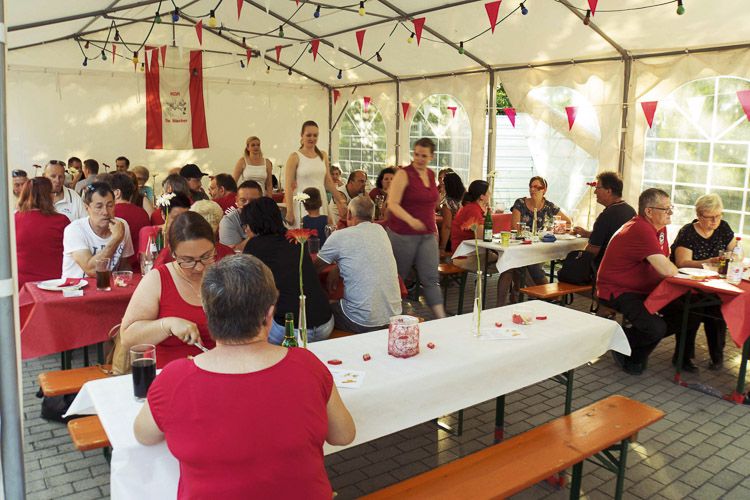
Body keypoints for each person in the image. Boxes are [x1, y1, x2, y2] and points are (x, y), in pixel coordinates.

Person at [133, 255, 356, 498]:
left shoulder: (174, 379)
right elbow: (343, 435)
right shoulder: (307, 365)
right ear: (269, 312)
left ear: (207, 310)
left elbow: (144, 435)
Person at [597, 188, 680, 375]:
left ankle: (632, 350)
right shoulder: (640, 229)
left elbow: (664, 263)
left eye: (671, 208)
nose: (670, 212)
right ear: (649, 211)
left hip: (643, 288)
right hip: (617, 290)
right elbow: (667, 270)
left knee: (685, 314)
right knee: (656, 327)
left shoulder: (660, 229)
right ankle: (622, 344)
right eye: (666, 209)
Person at [121, 212, 218, 368]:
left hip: (218, 370)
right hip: (169, 373)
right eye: (188, 260)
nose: (199, 267)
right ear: (172, 253)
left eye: (206, 256)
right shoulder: (158, 280)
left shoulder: (224, 276)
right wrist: (167, 325)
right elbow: (128, 339)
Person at [241, 197, 334, 344]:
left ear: (253, 223)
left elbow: (248, 291)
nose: (246, 230)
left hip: (291, 331)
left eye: (246, 225)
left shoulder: (254, 246)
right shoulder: (296, 238)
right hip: (326, 323)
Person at [317, 196, 402, 333]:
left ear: (349, 214)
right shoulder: (381, 231)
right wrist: (338, 267)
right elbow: (367, 255)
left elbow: (314, 269)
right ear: (372, 216)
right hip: (394, 316)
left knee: (323, 306)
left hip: (361, 322)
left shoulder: (339, 236)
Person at [671, 194, 736, 371]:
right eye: (710, 217)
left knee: (718, 311)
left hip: (713, 285)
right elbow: (682, 263)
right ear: (699, 215)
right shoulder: (688, 232)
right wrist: (709, 262)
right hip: (687, 286)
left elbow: (735, 251)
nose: (715, 221)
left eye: (718, 215)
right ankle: (683, 357)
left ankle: (717, 356)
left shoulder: (723, 227)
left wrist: (734, 257)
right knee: (693, 311)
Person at [387, 138, 446, 319]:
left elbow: (432, 201)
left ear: (431, 157)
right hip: (402, 233)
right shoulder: (403, 174)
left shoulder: (430, 174)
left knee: (431, 278)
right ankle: (393, 317)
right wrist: (411, 220)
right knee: (398, 278)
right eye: (417, 154)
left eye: (424, 156)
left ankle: (441, 318)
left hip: (427, 234)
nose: (419, 159)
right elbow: (392, 203)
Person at [62, 182, 134, 278]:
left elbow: (124, 266)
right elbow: (92, 271)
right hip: (77, 285)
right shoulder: (74, 230)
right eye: (99, 207)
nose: (105, 212)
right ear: (87, 208)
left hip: (109, 285)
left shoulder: (122, 225)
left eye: (110, 205)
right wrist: (116, 239)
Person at [284, 120, 347, 227]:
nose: (312, 138)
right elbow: (288, 186)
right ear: (302, 135)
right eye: (309, 135)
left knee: (322, 231)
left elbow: (328, 181)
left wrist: (340, 200)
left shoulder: (323, 155)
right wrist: (289, 211)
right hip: (302, 201)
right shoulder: (294, 157)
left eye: (315, 135)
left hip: (320, 200)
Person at [511, 176, 572, 285]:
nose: (532, 189)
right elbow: (515, 228)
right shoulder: (520, 203)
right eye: (531, 187)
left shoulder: (549, 206)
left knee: (522, 264)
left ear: (544, 190)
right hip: (522, 245)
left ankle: (527, 291)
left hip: (540, 246)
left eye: (536, 187)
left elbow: (568, 222)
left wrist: (555, 229)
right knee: (523, 262)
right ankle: (541, 290)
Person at [14, 178, 70, 287]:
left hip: (21, 286)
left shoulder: (13, 220)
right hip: (55, 284)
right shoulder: (61, 221)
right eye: (52, 193)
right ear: (48, 197)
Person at [572, 171, 636, 267]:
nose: (595, 192)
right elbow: (610, 236)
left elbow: (592, 251)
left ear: (608, 191)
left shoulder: (606, 215)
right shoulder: (630, 211)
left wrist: (575, 264)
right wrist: (587, 233)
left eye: (598, 188)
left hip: (603, 268)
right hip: (625, 266)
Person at [111, 173, 150, 270]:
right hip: (140, 268)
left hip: (117, 270)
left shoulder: (111, 214)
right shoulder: (143, 213)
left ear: (117, 193)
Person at [218, 180, 263, 250]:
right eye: (243, 200)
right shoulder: (228, 221)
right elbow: (232, 252)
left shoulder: (269, 216)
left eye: (253, 201)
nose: (247, 205)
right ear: (236, 200)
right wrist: (253, 235)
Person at [151, 194, 193, 267]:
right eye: (176, 217)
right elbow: (148, 261)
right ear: (163, 215)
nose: (182, 221)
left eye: (185, 217)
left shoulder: (190, 235)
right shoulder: (150, 233)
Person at [439, 173, 466, 257]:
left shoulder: (448, 203)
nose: (441, 185)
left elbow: (447, 226)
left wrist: (442, 248)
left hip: (453, 239)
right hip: (465, 237)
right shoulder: (464, 199)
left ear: (448, 186)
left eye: (444, 184)